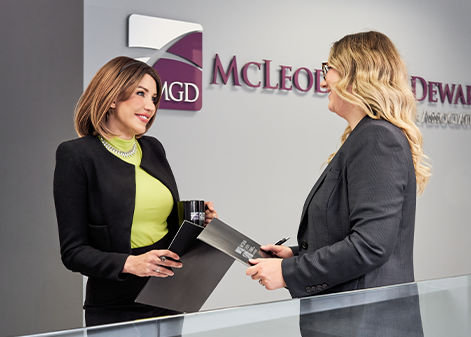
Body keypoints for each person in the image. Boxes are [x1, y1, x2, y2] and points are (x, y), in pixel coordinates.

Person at [246, 31, 431, 298]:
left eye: (328, 69)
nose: (323, 83)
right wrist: (295, 255)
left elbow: (370, 245)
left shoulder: (377, 138)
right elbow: (350, 234)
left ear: (356, 75)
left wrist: (289, 272)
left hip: (365, 321)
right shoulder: (367, 137)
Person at [53, 56, 217, 326]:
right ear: (113, 96)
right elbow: (73, 251)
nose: (149, 106)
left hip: (168, 296)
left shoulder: (153, 148)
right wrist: (131, 263)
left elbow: (159, 221)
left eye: (153, 97)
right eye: (141, 93)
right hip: (116, 304)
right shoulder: (77, 155)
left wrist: (198, 221)